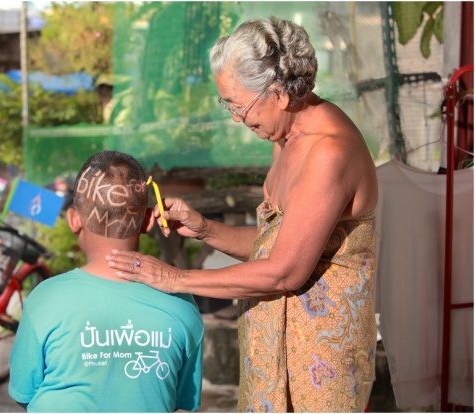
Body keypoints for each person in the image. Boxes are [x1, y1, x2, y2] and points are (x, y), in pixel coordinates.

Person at [105, 16, 378, 412]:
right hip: (272, 353)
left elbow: (286, 269)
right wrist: (204, 229)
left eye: (239, 105)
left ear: (280, 93)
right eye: (227, 104)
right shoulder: (286, 134)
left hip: (320, 364)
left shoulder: (327, 153)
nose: (236, 118)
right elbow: (278, 244)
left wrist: (175, 279)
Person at [8, 150, 204, 412]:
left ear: (74, 220)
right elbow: (181, 400)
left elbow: (24, 392)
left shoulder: (45, 299)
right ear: (147, 221)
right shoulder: (181, 303)